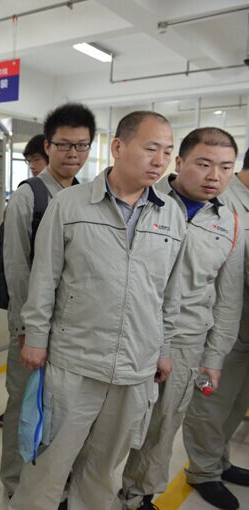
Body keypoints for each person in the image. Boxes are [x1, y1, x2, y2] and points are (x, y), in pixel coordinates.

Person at [9, 111, 185, 510]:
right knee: (48, 465)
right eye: (151, 148)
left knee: (104, 470)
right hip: (75, 361)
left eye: (167, 151)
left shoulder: (170, 215)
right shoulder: (70, 204)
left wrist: (164, 348)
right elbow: (44, 278)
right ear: (118, 147)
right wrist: (35, 338)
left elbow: (170, 293)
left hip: (135, 367)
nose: (159, 161)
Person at [119, 127, 243, 510]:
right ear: (180, 161)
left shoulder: (229, 222)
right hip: (129, 334)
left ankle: (137, 497)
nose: (214, 176)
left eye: (225, 167)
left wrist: (213, 359)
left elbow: (228, 298)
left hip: (185, 344)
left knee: (162, 427)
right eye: (203, 164)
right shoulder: (142, 201)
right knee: (103, 425)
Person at [0, 103, 96, 500]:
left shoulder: (87, 198)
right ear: (47, 145)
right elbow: (16, 267)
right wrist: (26, 331)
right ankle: (14, 483)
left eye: (81, 145)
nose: (73, 153)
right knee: (24, 406)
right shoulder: (30, 196)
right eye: (64, 145)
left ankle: (52, 482)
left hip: (73, 329)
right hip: (34, 327)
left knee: (62, 409)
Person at [182, 146, 249, 510]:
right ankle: (203, 471)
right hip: (222, 325)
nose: (214, 174)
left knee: (236, 402)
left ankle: (219, 461)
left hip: (243, 324)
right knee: (211, 403)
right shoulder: (224, 203)